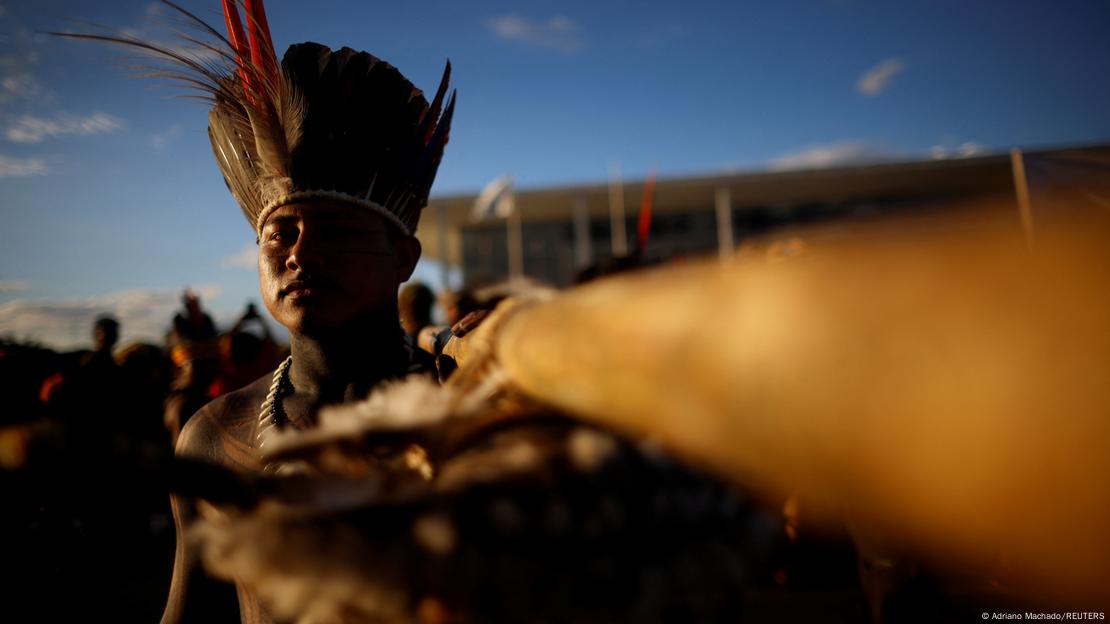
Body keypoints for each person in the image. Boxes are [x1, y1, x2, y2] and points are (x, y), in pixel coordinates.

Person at [65, 2, 456, 621]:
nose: (302, 253)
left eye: (336, 231)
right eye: (282, 233)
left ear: (404, 257)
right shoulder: (214, 436)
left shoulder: (474, 416)